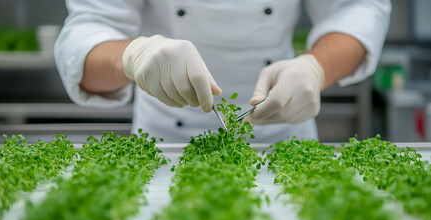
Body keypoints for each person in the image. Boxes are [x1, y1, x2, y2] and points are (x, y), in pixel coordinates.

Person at [55, 0, 391, 142]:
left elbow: (357, 8)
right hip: (163, 143)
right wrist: (133, 55)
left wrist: (314, 68)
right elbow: (87, 33)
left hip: (284, 138)